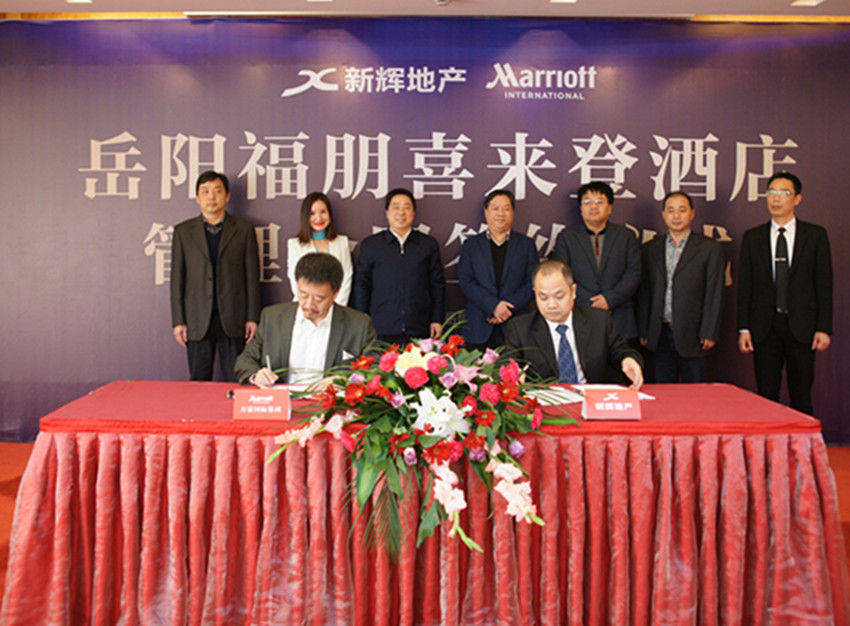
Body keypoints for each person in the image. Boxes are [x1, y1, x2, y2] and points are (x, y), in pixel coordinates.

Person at [737, 171, 833, 415]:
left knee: (801, 394)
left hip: (802, 326)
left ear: (797, 198)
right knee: (766, 395)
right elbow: (745, 287)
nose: (776, 198)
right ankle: (768, 440)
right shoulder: (753, 237)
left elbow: (824, 284)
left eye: (783, 193)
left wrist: (823, 327)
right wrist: (744, 328)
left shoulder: (815, 235)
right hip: (764, 327)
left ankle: (802, 441)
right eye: (771, 192)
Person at [170, 171, 261, 382]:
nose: (211, 197)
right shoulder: (183, 232)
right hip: (197, 319)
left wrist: (252, 317)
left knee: (236, 379)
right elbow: (177, 280)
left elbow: (252, 277)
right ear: (197, 198)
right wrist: (178, 320)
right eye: (205, 192)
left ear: (227, 196)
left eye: (217, 191)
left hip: (234, 317)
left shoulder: (244, 230)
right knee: (198, 381)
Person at [235, 253, 376, 387]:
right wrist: (257, 375)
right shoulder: (273, 318)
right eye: (303, 295)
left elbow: (376, 368)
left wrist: (345, 380)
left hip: (327, 401)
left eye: (319, 298)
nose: (309, 305)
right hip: (283, 400)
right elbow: (245, 360)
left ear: (336, 292)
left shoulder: (358, 326)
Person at [504, 260, 643, 388]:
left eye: (559, 296)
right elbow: (506, 362)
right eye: (543, 297)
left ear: (573, 291)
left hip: (590, 398)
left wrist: (628, 360)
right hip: (547, 402)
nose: (551, 305)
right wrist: (512, 373)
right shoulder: (520, 328)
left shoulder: (598, 321)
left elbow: (622, 351)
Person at [637, 191, 725, 382]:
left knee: (694, 395)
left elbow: (714, 292)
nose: (676, 216)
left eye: (682, 210)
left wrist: (709, 331)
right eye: (671, 210)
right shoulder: (650, 249)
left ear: (692, 213)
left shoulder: (709, 248)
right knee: (663, 393)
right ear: (663, 214)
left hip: (694, 334)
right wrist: (644, 329)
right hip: (659, 333)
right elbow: (644, 292)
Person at [549, 181, 641, 340]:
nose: (593, 206)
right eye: (587, 202)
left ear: (610, 207)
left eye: (599, 201)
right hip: (581, 314)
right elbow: (563, 276)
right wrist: (590, 303)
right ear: (580, 208)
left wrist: (609, 299)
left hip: (620, 317)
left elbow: (634, 273)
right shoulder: (567, 238)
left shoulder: (626, 236)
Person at [353, 188, 445, 343]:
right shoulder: (371, 245)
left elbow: (437, 285)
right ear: (387, 213)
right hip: (380, 328)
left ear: (413, 213)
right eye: (396, 207)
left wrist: (436, 319)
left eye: (406, 207)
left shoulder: (428, 245)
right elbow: (362, 284)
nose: (401, 212)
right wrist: (363, 320)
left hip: (419, 327)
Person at [457, 189, 538, 349]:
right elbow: (466, 282)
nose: (500, 213)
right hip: (479, 325)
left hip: (516, 324)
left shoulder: (526, 245)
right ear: (486, 212)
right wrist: (493, 306)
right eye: (495, 208)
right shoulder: (471, 245)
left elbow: (533, 282)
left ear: (513, 213)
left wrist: (506, 308)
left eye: (506, 208)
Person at [286, 191, 353, 306]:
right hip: (307, 308)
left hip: (338, 308)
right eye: (312, 213)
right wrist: (313, 306)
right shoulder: (295, 244)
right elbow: (295, 280)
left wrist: (336, 307)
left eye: (323, 212)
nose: (319, 218)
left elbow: (346, 276)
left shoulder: (342, 242)